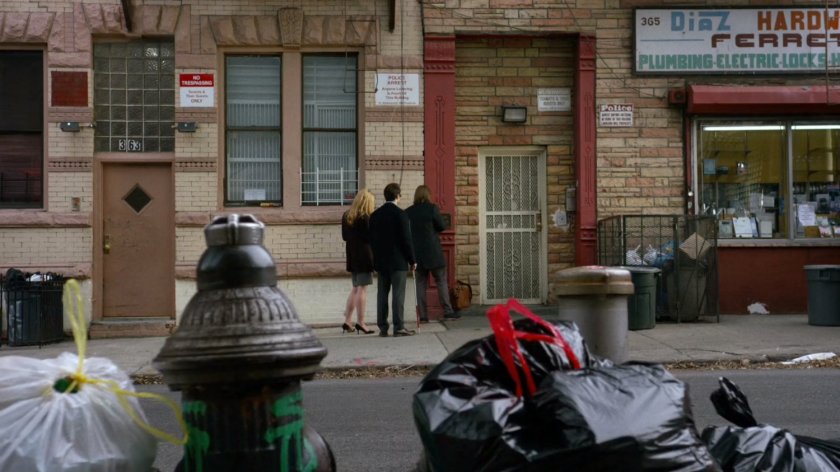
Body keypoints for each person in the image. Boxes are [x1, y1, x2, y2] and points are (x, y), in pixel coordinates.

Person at [369, 182, 417, 337]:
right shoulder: (401, 214)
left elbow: (372, 240)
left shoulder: (375, 215)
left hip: (381, 262)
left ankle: (383, 327)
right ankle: (399, 326)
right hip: (398, 261)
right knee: (398, 294)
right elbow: (406, 240)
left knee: (382, 294)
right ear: (398, 196)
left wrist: (375, 260)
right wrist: (412, 260)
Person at [406, 185, 460, 322]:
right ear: (427, 195)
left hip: (417, 254)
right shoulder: (432, 208)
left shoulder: (408, 212)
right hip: (433, 252)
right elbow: (442, 226)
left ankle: (423, 316)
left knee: (420, 284)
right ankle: (448, 312)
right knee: (441, 281)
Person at [341, 188, 376, 335]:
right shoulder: (366, 218)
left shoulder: (346, 215)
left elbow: (344, 237)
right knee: (362, 289)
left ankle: (348, 321)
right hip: (364, 256)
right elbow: (371, 238)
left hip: (352, 255)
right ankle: (361, 322)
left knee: (355, 288)